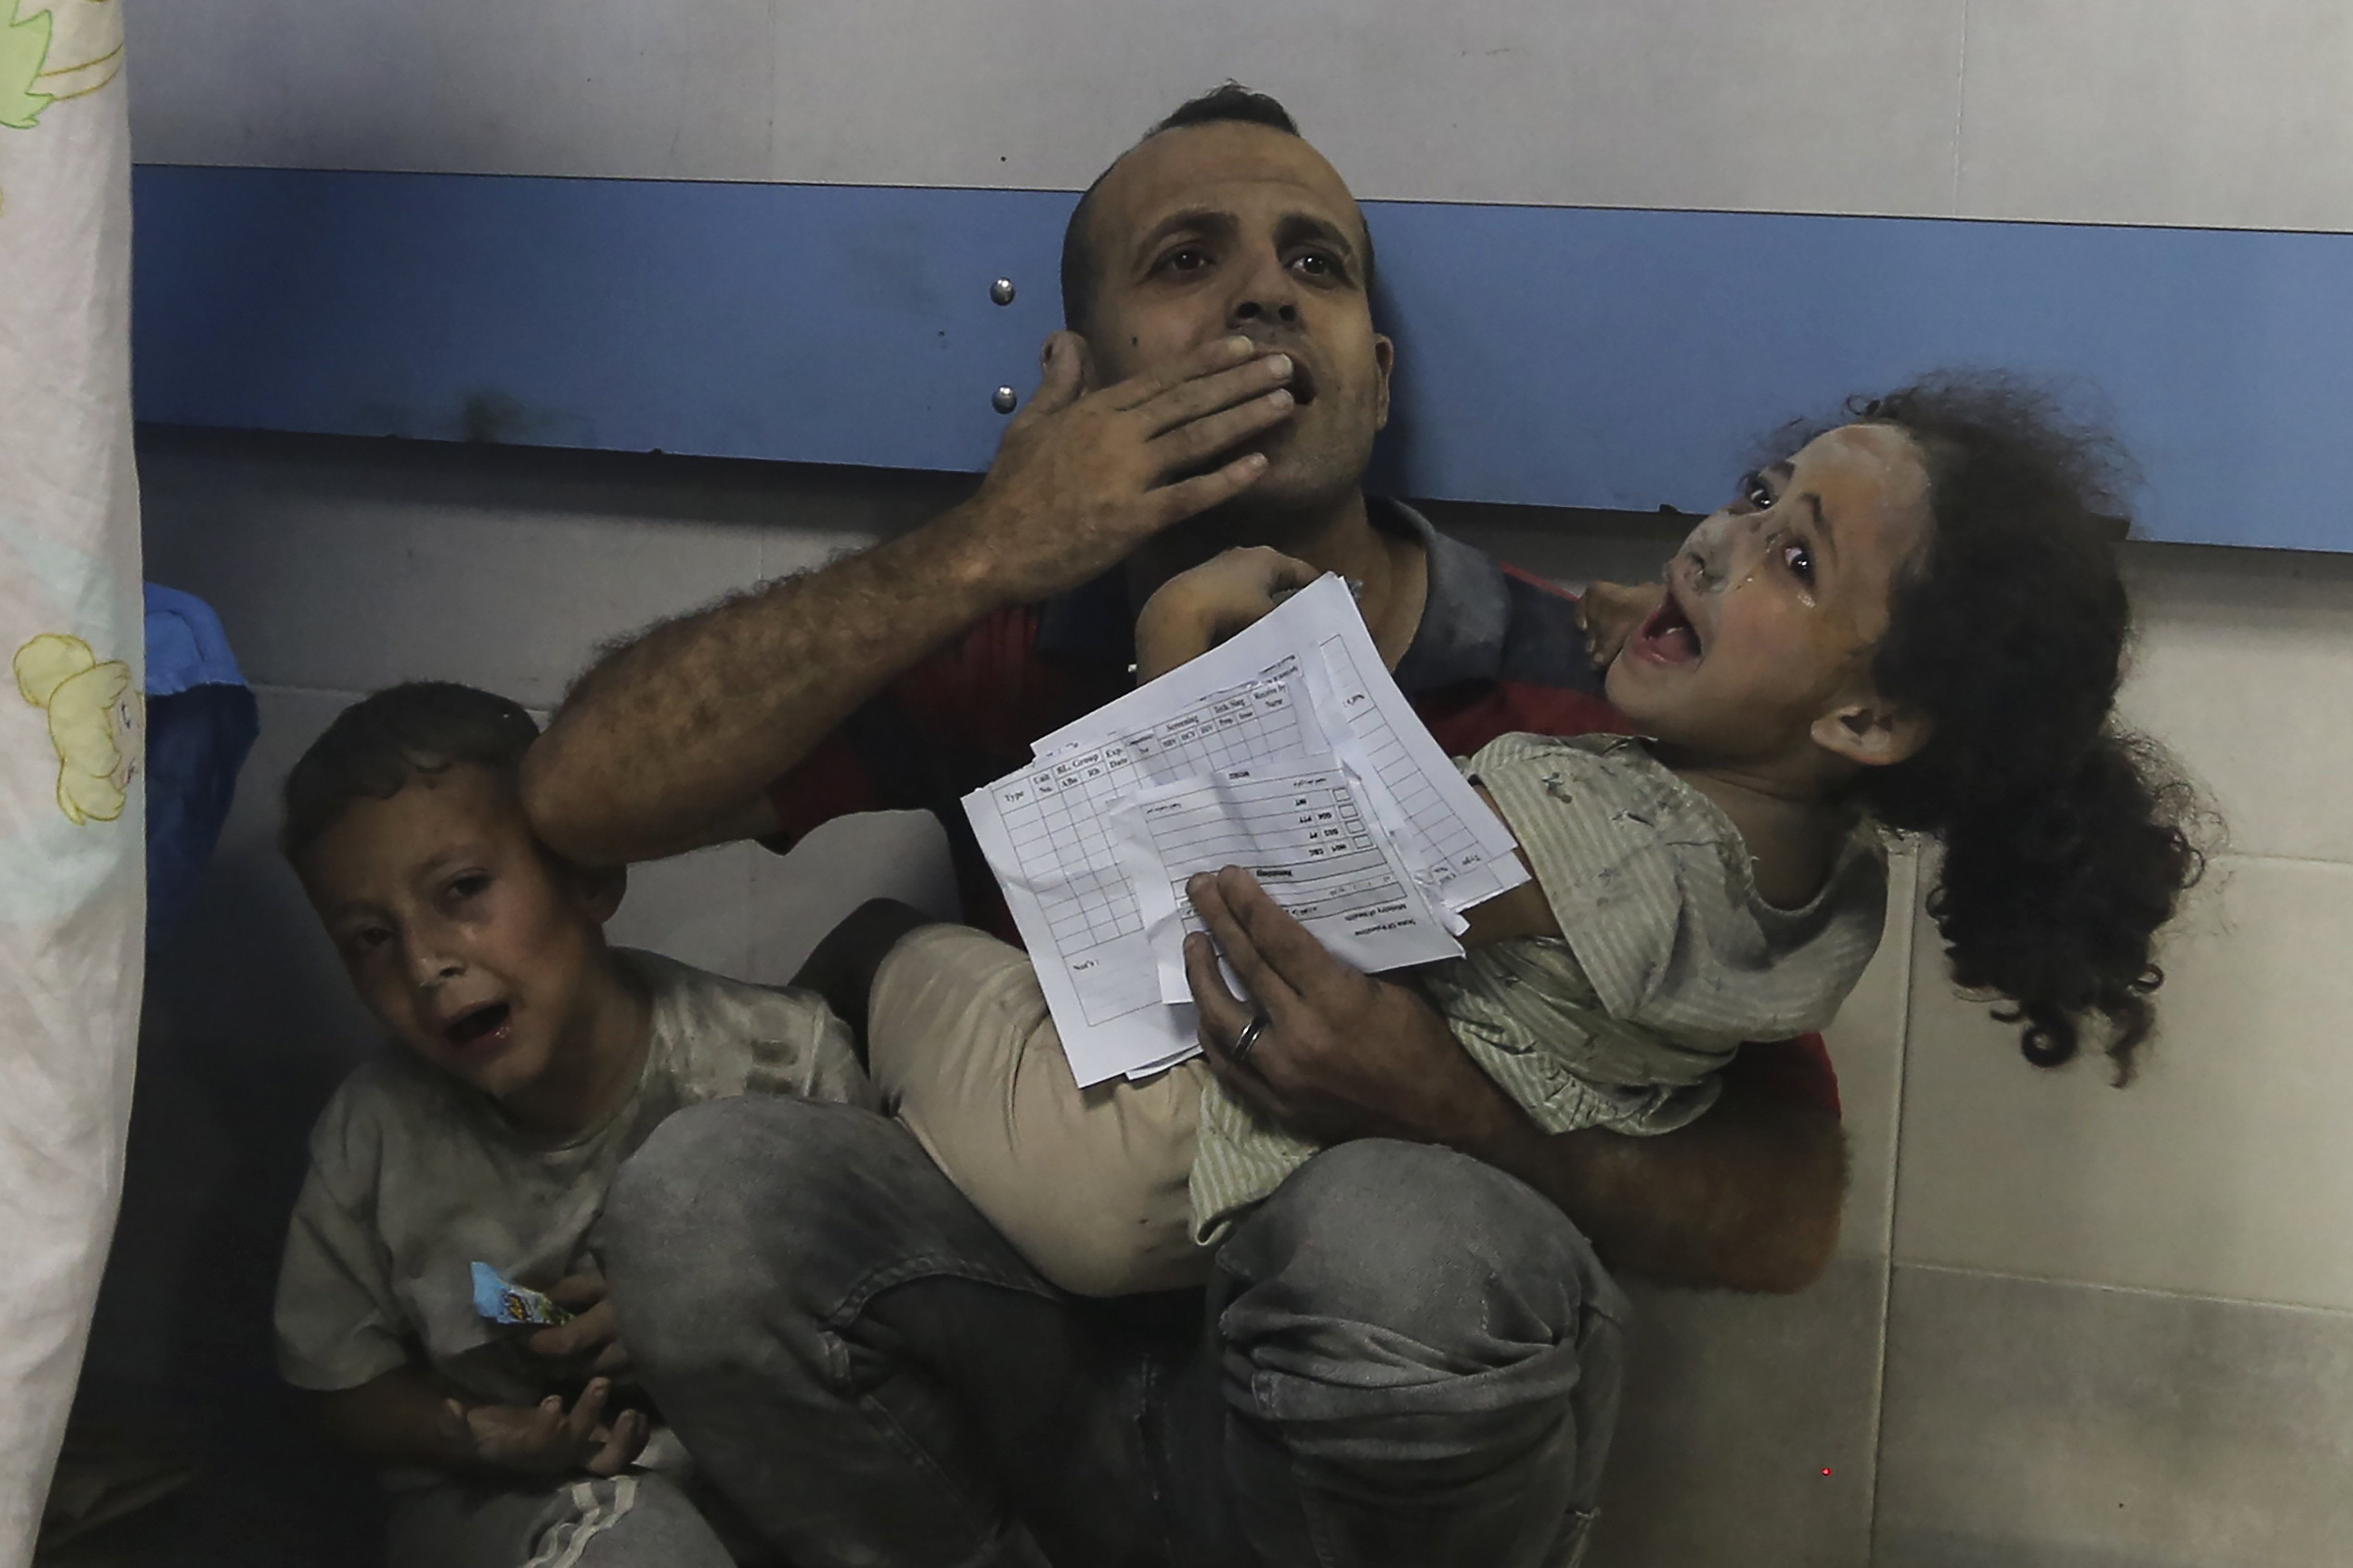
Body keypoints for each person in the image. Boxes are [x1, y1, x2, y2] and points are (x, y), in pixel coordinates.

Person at [529, 86, 1844, 1566]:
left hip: (1364, 1394)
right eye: (1186, 261)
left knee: (1399, 1231)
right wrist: (987, 547)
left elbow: (1790, 1213)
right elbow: (586, 794)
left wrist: (1462, 1113)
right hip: (1034, 1343)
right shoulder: (1018, 631)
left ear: (1379, 374)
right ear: (1083, 378)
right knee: (700, 1206)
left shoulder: (1588, 687)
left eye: (1317, 266)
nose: (1266, 292)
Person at [835, 378, 2206, 1301]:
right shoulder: (1815, 887)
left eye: (1799, 560)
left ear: (1869, 713)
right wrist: (1658, 640)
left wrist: (1177, 641)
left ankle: (805, 1061)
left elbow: (1294, 868)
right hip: (1217, 1201)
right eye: (1755, 492)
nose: (1724, 540)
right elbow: (1661, 854)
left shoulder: (1582, 836)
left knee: (888, 963)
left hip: (1152, 1153)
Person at [270, 682, 872, 1568]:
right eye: (368, 937)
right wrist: (480, 1434)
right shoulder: (378, 1134)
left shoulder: (779, 1059)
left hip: (769, 1490)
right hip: (501, 1507)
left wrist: (697, 1317)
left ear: (590, 876)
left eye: (463, 889)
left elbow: (891, 1324)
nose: (426, 961)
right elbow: (337, 1381)